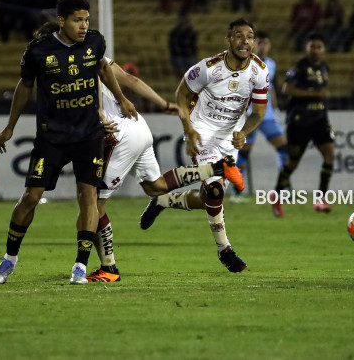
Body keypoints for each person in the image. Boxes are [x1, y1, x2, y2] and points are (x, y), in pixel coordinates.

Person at [0, 0, 137, 286]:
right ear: (61, 21)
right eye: (77, 20)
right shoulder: (38, 51)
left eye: (86, 20)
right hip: (52, 136)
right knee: (31, 196)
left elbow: (103, 69)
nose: (83, 26)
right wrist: (10, 126)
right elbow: (25, 86)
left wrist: (122, 99)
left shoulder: (95, 42)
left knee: (87, 197)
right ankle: (9, 259)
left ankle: (80, 266)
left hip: (88, 134)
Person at [89, 55, 243, 282]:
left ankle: (107, 268)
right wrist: (163, 104)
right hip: (138, 125)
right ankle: (211, 172)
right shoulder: (97, 55)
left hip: (119, 133)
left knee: (92, 205)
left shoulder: (73, 63)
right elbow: (131, 80)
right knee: (157, 187)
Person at [139, 18, 269, 273]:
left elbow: (258, 113)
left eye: (250, 36)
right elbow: (182, 93)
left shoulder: (260, 71)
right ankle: (225, 250)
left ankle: (164, 201)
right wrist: (189, 131)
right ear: (228, 40)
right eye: (239, 36)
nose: (245, 41)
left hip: (229, 138)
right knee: (216, 191)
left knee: (208, 197)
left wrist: (244, 132)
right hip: (203, 131)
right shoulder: (209, 68)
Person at [270, 33, 335, 216]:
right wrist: (314, 94)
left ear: (323, 50)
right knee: (293, 162)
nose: (315, 50)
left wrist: (320, 97)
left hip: (320, 118)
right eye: (312, 46)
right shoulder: (298, 67)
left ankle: (321, 199)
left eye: (319, 47)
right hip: (300, 120)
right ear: (306, 48)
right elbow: (286, 89)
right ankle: (276, 196)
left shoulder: (324, 67)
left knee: (330, 154)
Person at [233, 32, 288, 201]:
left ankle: (283, 189)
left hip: (269, 116)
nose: (263, 46)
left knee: (284, 149)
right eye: (259, 42)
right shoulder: (245, 63)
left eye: (266, 43)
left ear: (270, 45)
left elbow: (272, 89)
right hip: (250, 116)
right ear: (253, 44)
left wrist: (277, 109)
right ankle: (238, 193)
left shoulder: (271, 64)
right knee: (243, 154)